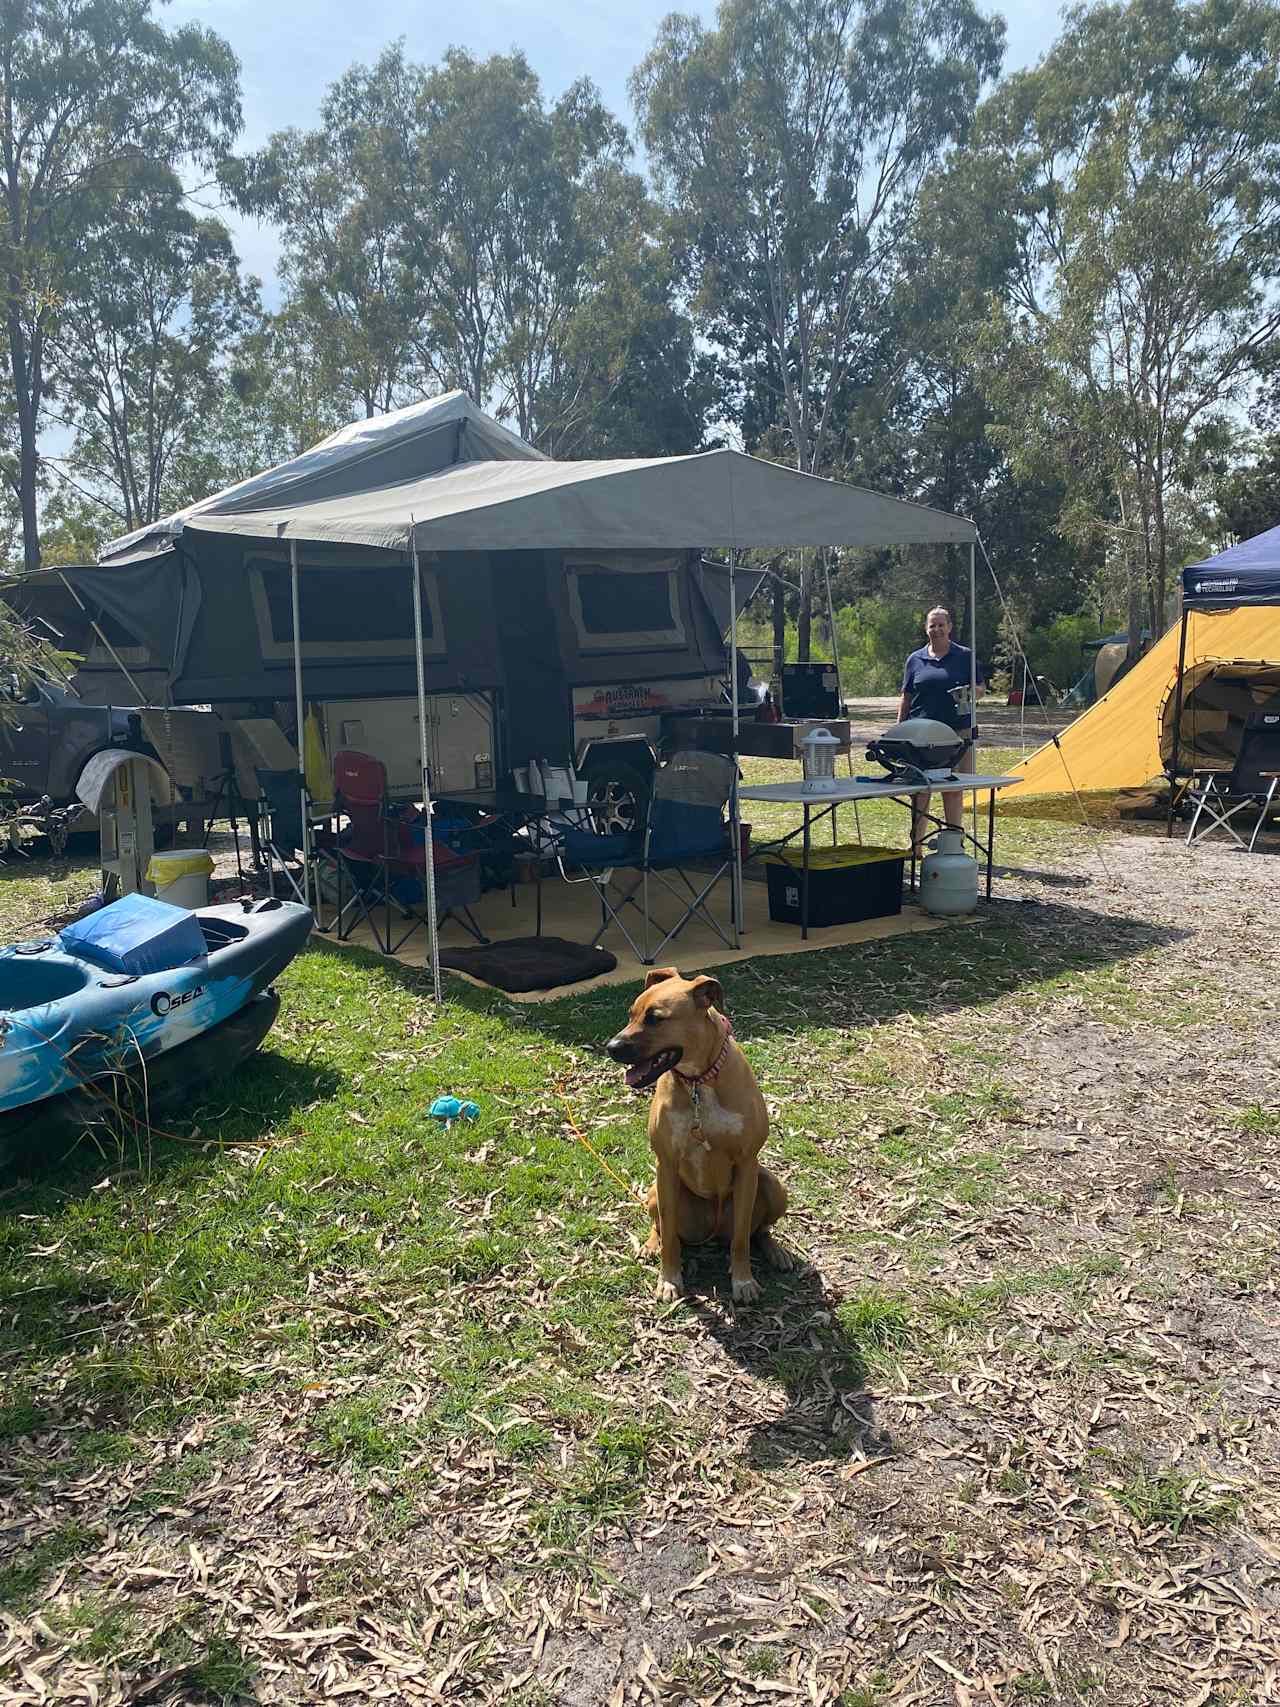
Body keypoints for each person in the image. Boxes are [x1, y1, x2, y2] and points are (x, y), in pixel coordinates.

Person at [897, 606, 985, 857]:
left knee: (953, 788)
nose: (936, 629)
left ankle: (953, 843)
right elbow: (906, 697)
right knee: (919, 789)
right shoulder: (915, 659)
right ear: (926, 629)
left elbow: (981, 688)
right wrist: (898, 729)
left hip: (956, 732)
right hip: (920, 734)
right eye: (931, 625)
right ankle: (915, 847)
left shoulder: (965, 656)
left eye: (940, 625)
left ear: (949, 628)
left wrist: (971, 693)